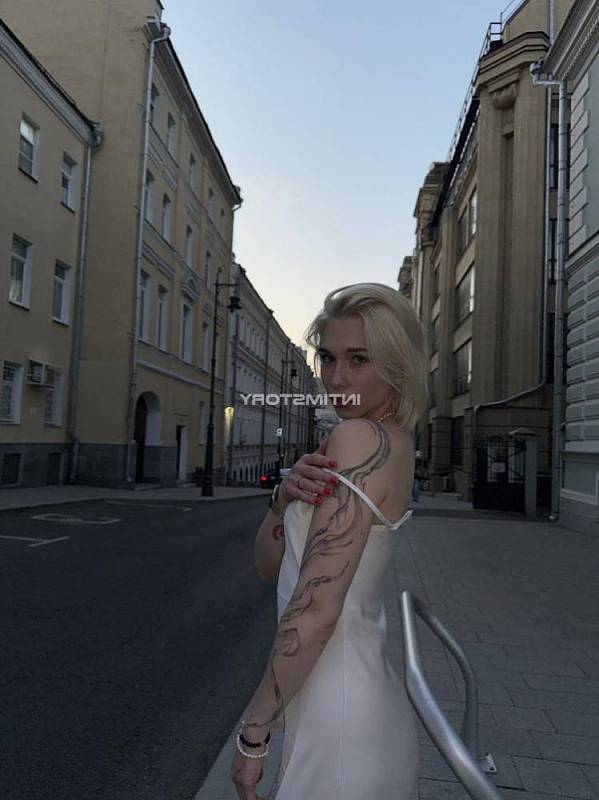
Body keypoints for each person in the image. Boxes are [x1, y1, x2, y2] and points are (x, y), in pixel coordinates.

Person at [231, 283, 428, 800]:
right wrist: (283, 499)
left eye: (359, 359)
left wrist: (254, 731)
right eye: (327, 357)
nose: (336, 379)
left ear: (397, 365)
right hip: (350, 698)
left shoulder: (359, 439)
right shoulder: (389, 439)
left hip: (337, 713)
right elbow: (269, 567)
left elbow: (318, 607)